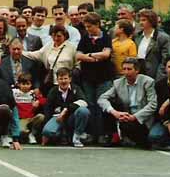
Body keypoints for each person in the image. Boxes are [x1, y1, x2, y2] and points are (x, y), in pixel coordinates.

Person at [98, 57, 156, 148]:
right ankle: (114, 136)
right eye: (124, 69)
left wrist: (135, 117)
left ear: (137, 70)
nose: (126, 72)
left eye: (129, 69)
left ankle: (132, 138)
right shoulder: (118, 83)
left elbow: (152, 105)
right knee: (108, 107)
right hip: (126, 116)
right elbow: (102, 98)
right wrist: (115, 112)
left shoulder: (148, 82)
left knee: (145, 142)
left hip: (142, 119)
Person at [76, 12, 114, 143]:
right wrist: (94, 58)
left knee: (102, 105)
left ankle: (103, 133)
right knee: (90, 105)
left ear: (97, 24)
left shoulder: (106, 37)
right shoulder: (85, 38)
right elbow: (78, 55)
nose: (88, 29)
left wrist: (89, 54)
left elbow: (106, 54)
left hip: (104, 77)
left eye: (90, 26)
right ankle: (92, 133)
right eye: (86, 27)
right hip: (88, 78)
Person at [42, 67, 90, 148]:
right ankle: (63, 135)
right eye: (61, 79)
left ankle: (77, 137)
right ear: (57, 80)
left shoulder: (76, 89)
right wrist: (45, 129)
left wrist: (66, 110)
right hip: (57, 118)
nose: (63, 81)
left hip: (72, 117)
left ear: (70, 79)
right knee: (47, 132)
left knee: (83, 111)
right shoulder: (53, 91)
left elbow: (84, 102)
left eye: (65, 78)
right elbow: (48, 109)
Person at [23, 25, 78, 95]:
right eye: (53, 36)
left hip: (65, 82)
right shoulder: (49, 46)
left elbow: (77, 65)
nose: (56, 38)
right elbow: (36, 54)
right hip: (51, 82)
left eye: (59, 36)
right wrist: (21, 52)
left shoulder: (71, 48)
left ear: (65, 36)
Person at [135, 9, 170, 80]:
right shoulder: (137, 36)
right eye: (140, 20)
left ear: (151, 21)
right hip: (138, 74)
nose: (140, 23)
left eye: (144, 20)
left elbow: (165, 59)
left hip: (154, 75)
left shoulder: (163, 38)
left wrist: (159, 77)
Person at [13, 73, 46, 144]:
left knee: (41, 117)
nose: (25, 86)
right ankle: (26, 133)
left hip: (31, 119)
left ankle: (32, 134)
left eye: (28, 84)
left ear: (31, 85)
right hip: (20, 119)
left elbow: (45, 100)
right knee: (21, 132)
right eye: (23, 84)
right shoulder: (15, 92)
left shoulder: (33, 93)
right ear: (19, 84)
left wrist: (38, 101)